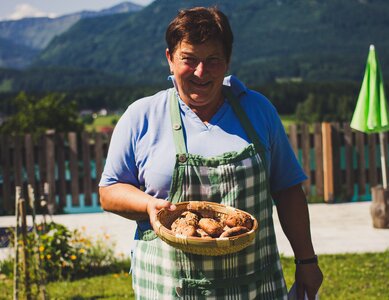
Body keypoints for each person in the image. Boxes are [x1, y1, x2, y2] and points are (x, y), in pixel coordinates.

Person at [99, 6, 323, 299]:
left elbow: (288, 190)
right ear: (170, 59)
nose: (201, 72)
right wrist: (148, 206)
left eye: (213, 60)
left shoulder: (258, 110)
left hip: (254, 286)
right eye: (188, 59)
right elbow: (110, 190)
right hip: (171, 288)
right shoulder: (142, 116)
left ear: (228, 61)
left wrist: (306, 260)